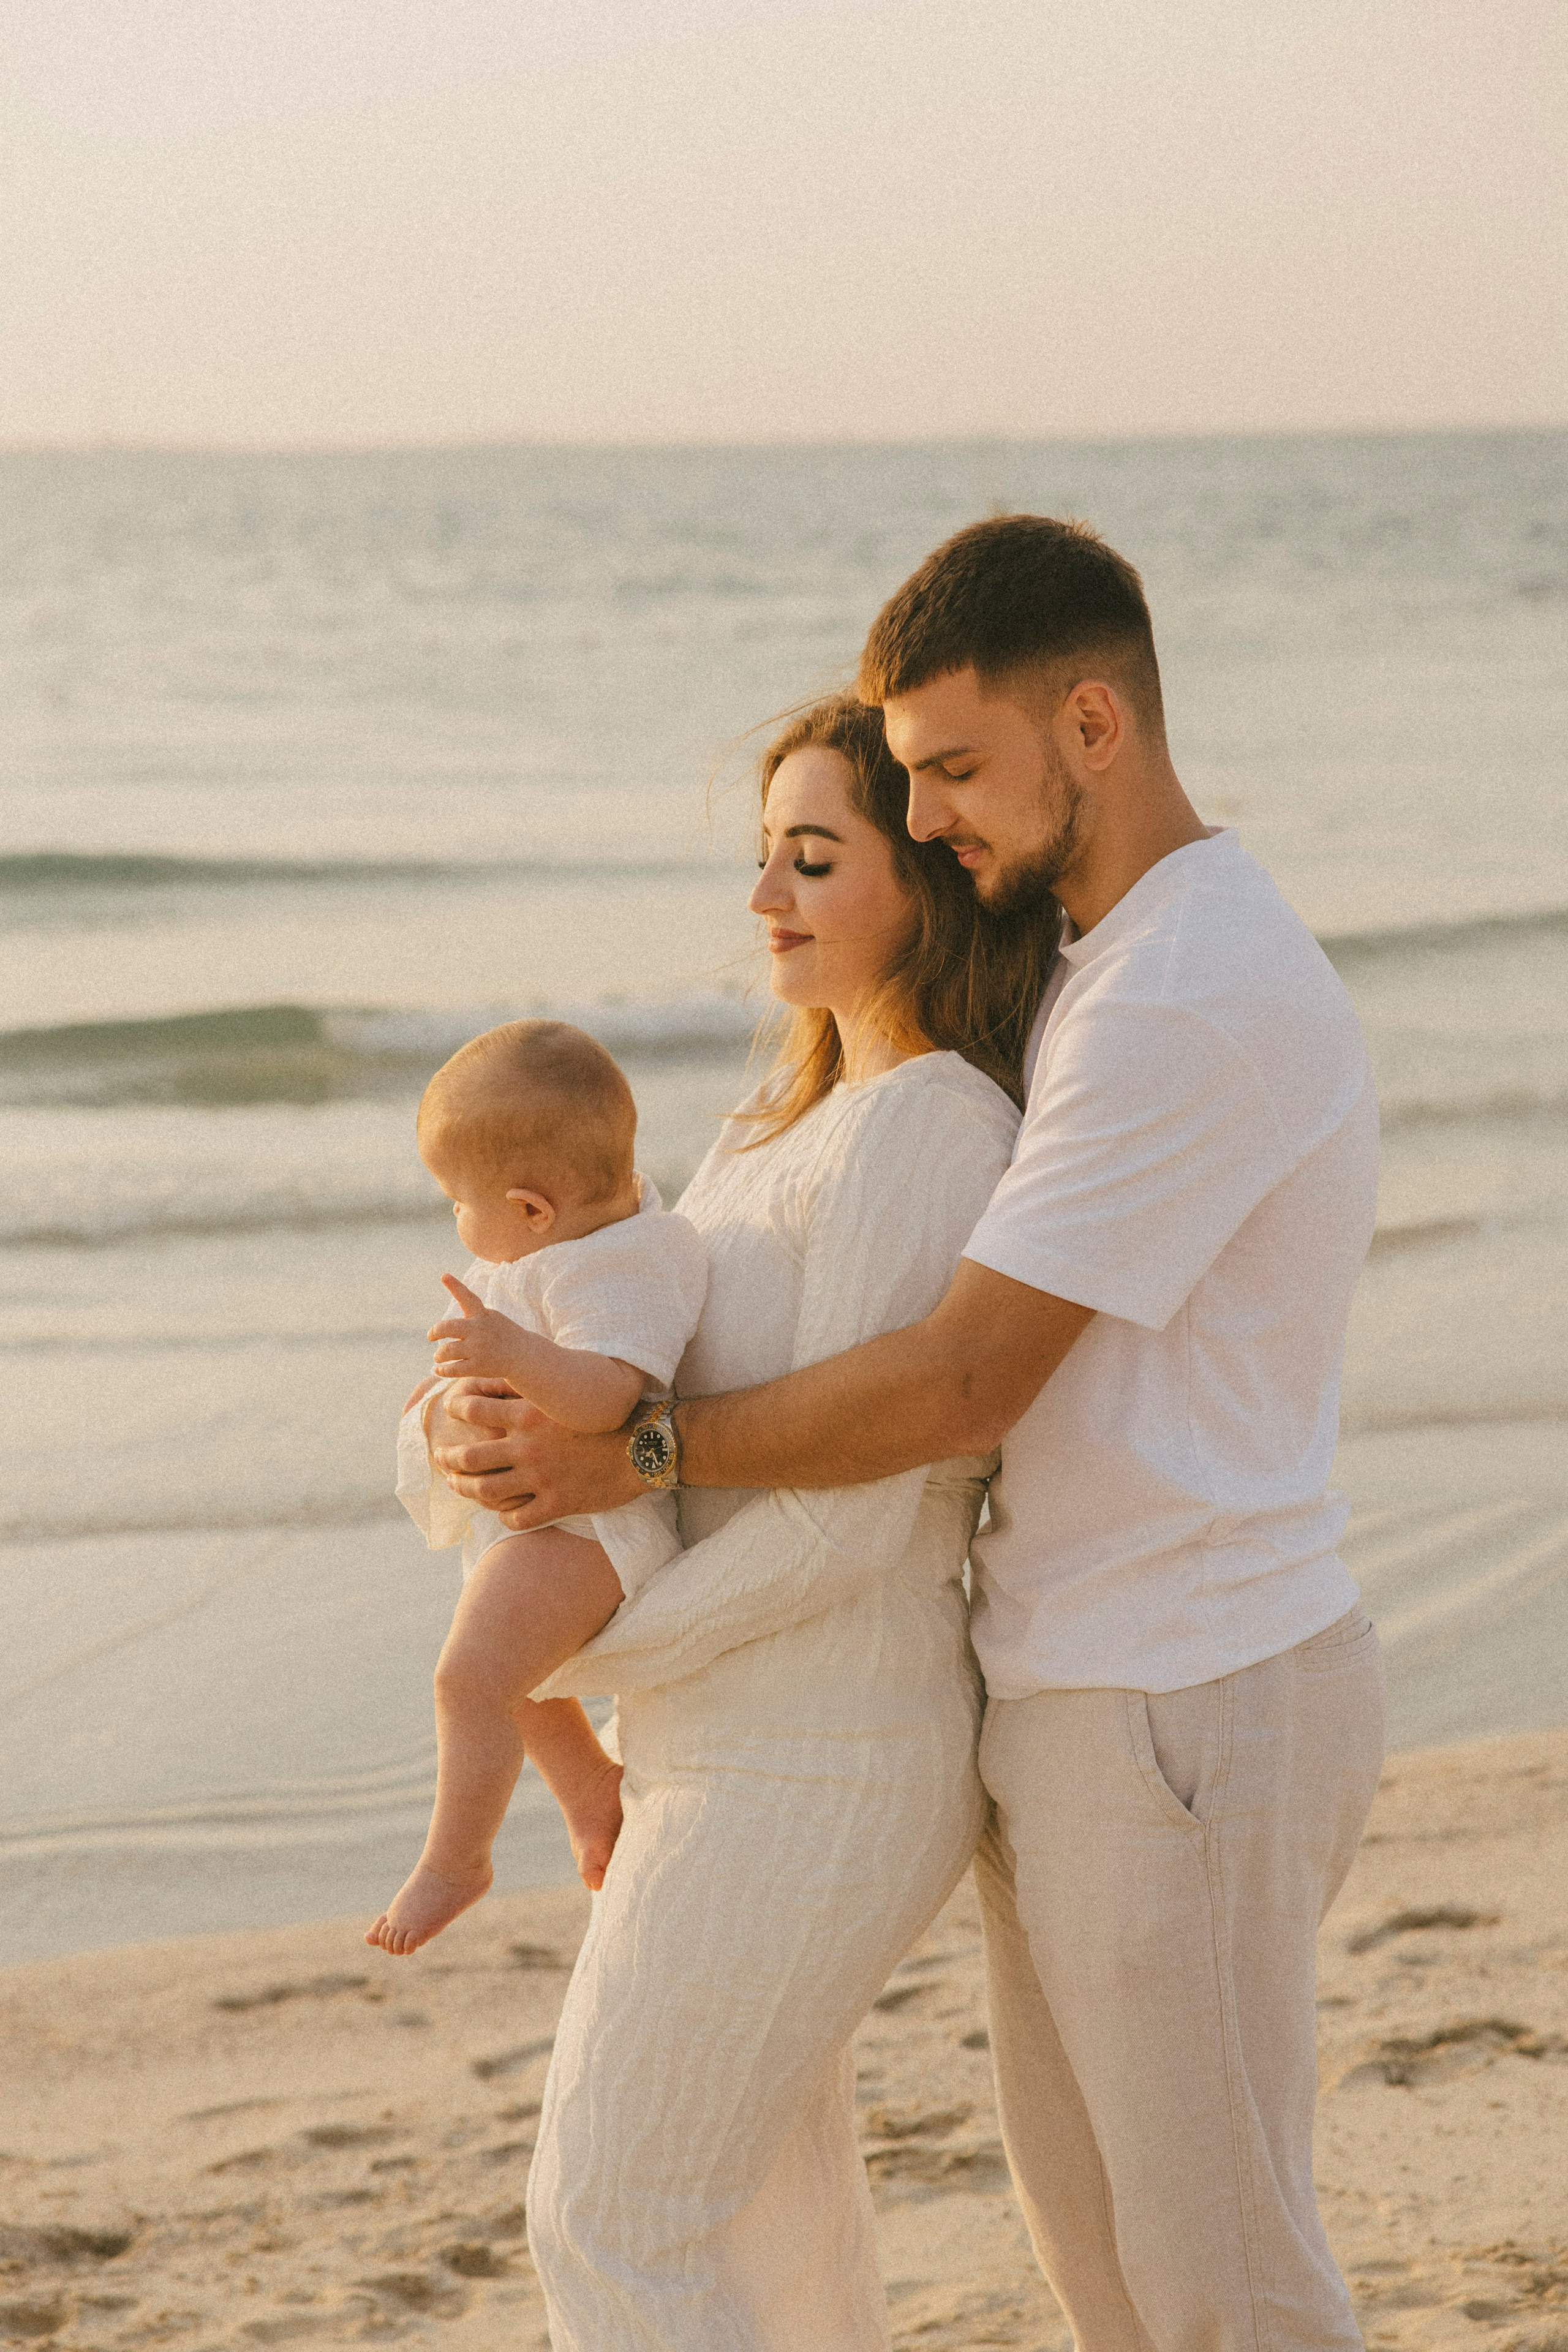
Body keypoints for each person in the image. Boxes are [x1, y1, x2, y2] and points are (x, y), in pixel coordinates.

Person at [442, 519, 1387, 2351]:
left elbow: (960, 1387)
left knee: (1227, 2295)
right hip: (1084, 1684)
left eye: (954, 769)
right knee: (1119, 2277)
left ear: (1093, 723)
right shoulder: (1112, 972)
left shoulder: (1181, 992)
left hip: (1188, 1682)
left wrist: (632, 1465)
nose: (935, 810)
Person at [414, 693, 1052, 2348]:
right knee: (769, 2228)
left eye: (815, 857)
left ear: (928, 880)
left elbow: (858, 1518)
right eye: (763, 856)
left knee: (609, 2214)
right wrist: (470, 1435)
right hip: (730, 1744)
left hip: (826, 1748)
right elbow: (617, 1396)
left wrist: (576, 1662)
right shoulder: (763, 1135)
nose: (766, 894)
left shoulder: (930, 1124)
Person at [366, 1019, 707, 1954]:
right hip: (537, 1529)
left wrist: (513, 1353)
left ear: (530, 1208)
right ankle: (590, 1793)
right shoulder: (530, 1254)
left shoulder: (629, 1262)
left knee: (468, 1679)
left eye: (456, 1203)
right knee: (524, 1686)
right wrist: (442, 1411)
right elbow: (442, 1387)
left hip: (598, 1533)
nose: (456, 1224)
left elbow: (610, 1398)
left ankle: (457, 1859)